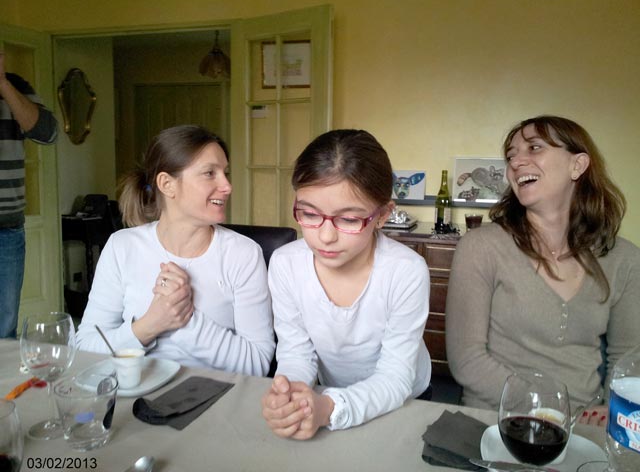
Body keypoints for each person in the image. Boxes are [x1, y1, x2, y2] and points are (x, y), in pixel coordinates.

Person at [446, 115, 640, 416]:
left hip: (586, 425)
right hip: (494, 420)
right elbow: (467, 360)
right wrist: (553, 411)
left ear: (577, 165)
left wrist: (609, 409)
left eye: (534, 148)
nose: (516, 162)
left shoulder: (624, 259)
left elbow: (627, 359)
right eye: (511, 155)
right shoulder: (481, 247)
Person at [261, 129, 431, 440]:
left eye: (349, 220)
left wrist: (329, 409)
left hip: (404, 399)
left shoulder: (406, 271)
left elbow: (395, 377)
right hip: (328, 396)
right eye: (309, 213)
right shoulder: (286, 264)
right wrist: (292, 396)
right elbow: (296, 353)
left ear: (382, 215)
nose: (325, 236)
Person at [76, 125, 275, 376]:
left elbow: (257, 365)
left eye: (225, 173)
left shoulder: (243, 254)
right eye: (210, 173)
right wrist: (150, 325)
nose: (227, 186)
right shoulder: (121, 246)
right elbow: (85, 348)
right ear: (167, 184)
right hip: (134, 391)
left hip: (215, 394)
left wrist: (186, 319)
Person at [0, 52, 58, 338]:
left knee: (4, 326)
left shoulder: (14, 85)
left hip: (7, 229)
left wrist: (3, 84)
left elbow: (48, 133)